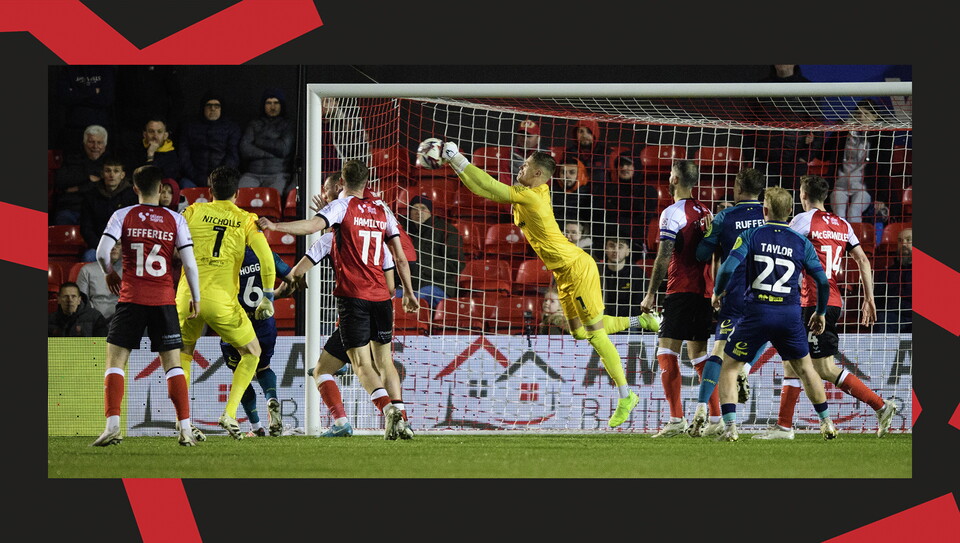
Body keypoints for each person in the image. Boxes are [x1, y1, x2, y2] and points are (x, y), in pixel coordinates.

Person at [436, 141, 659, 428]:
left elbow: (490, 187)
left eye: (526, 165)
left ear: (539, 174)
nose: (521, 167)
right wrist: (456, 164)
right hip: (564, 273)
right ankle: (641, 321)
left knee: (595, 334)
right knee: (580, 331)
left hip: (576, 268)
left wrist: (458, 158)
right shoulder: (531, 191)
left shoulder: (532, 197)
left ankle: (626, 395)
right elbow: (485, 189)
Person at [258, 160, 420, 440]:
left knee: (361, 365)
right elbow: (399, 259)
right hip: (382, 300)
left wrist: (275, 225)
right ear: (367, 182)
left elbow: (310, 230)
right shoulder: (382, 210)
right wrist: (410, 293)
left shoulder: (339, 213)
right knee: (384, 362)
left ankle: (387, 411)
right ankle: (400, 415)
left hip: (353, 300)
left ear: (341, 183)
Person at [751, 175, 899, 440]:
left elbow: (780, 243)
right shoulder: (842, 225)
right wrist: (869, 298)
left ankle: (881, 405)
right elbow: (862, 259)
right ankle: (784, 426)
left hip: (814, 302)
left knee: (824, 368)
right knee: (791, 363)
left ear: (803, 195)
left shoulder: (802, 221)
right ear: (827, 197)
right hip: (832, 300)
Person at [700, 186, 837, 441]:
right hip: (789, 316)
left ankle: (730, 428)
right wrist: (820, 312)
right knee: (806, 369)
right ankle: (827, 423)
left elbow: (728, 269)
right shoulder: (801, 242)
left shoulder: (751, 235)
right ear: (789, 212)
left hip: (757, 315)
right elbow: (822, 282)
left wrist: (718, 291)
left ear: (765, 210)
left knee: (729, 367)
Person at [90, 164, 202, 447]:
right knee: (173, 365)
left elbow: (103, 252)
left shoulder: (122, 215)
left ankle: (113, 425)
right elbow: (189, 262)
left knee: (116, 361)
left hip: (131, 298)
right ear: (160, 187)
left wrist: (108, 272)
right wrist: (195, 296)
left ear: (135, 188)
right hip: (163, 299)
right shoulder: (175, 219)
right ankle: (185, 429)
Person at [175, 166, 277, 440]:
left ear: (209, 192)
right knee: (252, 352)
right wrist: (267, 295)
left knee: (184, 353)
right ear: (237, 193)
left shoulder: (192, 212)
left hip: (188, 297)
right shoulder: (245, 219)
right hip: (221, 301)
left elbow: (173, 246)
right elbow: (266, 259)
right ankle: (230, 414)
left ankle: (183, 422)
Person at [688, 167, 767, 438]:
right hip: (768, 295)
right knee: (767, 335)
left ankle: (701, 407)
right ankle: (744, 368)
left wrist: (710, 232)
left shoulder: (724, 217)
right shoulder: (771, 217)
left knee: (719, 351)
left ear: (736, 187)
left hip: (734, 294)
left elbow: (700, 255)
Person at [639, 159, 714, 438]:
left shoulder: (672, 212)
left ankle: (676, 419)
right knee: (700, 357)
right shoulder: (706, 210)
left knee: (666, 351)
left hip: (680, 290)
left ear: (674, 179)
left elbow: (664, 255)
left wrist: (650, 294)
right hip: (704, 292)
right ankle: (715, 419)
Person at [220, 247, 295, 437]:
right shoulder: (267, 254)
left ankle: (256, 427)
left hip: (237, 323)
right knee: (263, 368)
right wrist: (273, 296)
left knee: (241, 374)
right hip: (264, 321)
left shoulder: (226, 256)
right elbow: (292, 279)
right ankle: (272, 399)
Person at [403, 195, 465, 308]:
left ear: (430, 212)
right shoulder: (403, 231)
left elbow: (456, 262)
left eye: (423, 208)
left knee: (420, 297)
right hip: (407, 286)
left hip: (437, 285)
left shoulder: (447, 230)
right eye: (415, 208)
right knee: (390, 297)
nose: (418, 212)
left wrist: (426, 271)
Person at [826, 99, 881, 224]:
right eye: (858, 114)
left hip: (863, 187)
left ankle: (854, 244)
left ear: (875, 116)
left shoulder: (881, 138)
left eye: (866, 114)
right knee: (839, 213)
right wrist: (836, 132)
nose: (861, 117)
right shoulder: (844, 133)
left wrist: (880, 197)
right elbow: (823, 155)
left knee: (853, 212)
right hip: (840, 185)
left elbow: (883, 168)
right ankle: (839, 242)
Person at [177, 92, 241, 189]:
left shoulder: (232, 128)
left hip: (222, 179)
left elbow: (233, 156)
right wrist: (200, 179)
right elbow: (184, 157)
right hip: (194, 178)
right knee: (185, 186)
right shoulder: (189, 128)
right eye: (209, 105)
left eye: (217, 106)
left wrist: (218, 178)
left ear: (221, 108)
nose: (213, 108)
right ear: (203, 108)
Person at [78, 158, 137, 262]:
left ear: (122, 175)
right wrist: (101, 247)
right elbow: (86, 228)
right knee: (88, 257)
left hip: (124, 247)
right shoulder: (91, 196)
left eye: (116, 171)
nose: (111, 175)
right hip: (98, 246)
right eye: (108, 170)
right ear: (102, 174)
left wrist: (120, 247)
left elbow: (135, 226)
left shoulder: (133, 196)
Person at [239, 88, 295, 196]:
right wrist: (272, 153)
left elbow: (283, 149)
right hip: (252, 174)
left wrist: (258, 141)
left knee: (273, 198)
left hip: (278, 174)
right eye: (268, 103)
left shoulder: (288, 125)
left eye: (276, 103)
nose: (272, 106)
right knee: (239, 196)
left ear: (281, 105)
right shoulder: (254, 124)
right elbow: (245, 149)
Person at [53, 124, 110, 225]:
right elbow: (60, 181)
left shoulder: (110, 163)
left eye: (99, 143)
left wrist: (77, 188)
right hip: (71, 208)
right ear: (84, 143)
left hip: (96, 211)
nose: (95, 146)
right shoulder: (72, 159)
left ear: (105, 146)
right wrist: (88, 178)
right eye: (91, 142)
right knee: (63, 221)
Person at [54, 65, 116, 156]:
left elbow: (107, 99)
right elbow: (64, 97)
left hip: (101, 127)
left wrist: (77, 92)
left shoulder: (106, 68)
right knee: (74, 163)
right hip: (74, 128)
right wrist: (93, 91)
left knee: (100, 165)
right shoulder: (69, 69)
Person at [551, 158, 606, 239]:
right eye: (563, 172)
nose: (566, 176)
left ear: (580, 174)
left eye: (572, 172)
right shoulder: (549, 193)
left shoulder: (590, 196)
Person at [599, 228, 645, 320]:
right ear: (605, 249)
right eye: (612, 246)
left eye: (620, 246)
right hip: (601, 319)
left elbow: (639, 306)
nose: (615, 251)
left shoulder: (637, 274)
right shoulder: (596, 271)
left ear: (628, 251)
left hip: (627, 321)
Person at [875, 227, 912, 333]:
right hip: (893, 316)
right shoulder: (886, 273)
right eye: (900, 241)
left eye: (909, 240)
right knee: (882, 318)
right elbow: (878, 300)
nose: (904, 244)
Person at [76, 242, 122, 323]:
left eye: (118, 244)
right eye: (109, 243)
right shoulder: (87, 270)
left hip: (123, 320)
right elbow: (82, 301)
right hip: (94, 321)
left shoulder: (131, 272)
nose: (114, 247)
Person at [563, 119, 608, 185]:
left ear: (595, 133)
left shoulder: (607, 153)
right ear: (576, 134)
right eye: (581, 131)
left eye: (589, 132)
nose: (585, 135)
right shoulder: (568, 153)